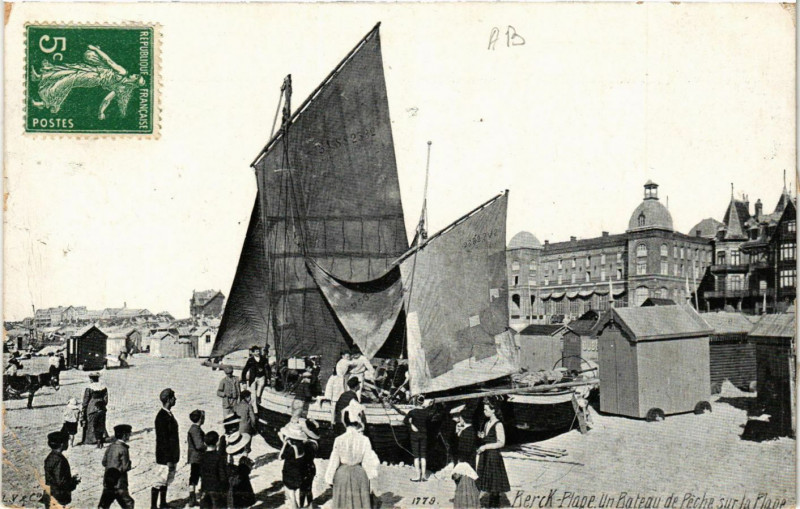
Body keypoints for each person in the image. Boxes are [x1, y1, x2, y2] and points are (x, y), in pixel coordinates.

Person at [324, 400, 380, 509]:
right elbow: (368, 461)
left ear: (345, 421)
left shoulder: (339, 439)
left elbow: (334, 461)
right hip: (359, 474)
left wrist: (329, 478)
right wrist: (372, 478)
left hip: (342, 474)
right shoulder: (364, 439)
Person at [476, 399, 510, 508]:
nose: (484, 411)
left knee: (494, 483)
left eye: (486, 409)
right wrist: (482, 437)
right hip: (486, 456)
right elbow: (489, 438)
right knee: (489, 481)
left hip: (493, 456)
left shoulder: (498, 424)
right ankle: (492, 504)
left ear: (493, 410)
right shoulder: (487, 423)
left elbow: (501, 442)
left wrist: (485, 446)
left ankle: (494, 504)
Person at [152, 388, 179, 509]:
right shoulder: (162, 417)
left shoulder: (167, 414)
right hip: (165, 456)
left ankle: (162, 503)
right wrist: (168, 459)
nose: (175, 399)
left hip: (170, 454)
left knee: (166, 479)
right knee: (160, 480)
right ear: (168, 399)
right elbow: (163, 440)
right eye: (173, 397)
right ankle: (154, 506)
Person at [98, 424, 135, 509]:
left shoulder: (110, 446)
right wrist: (129, 464)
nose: (130, 435)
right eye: (129, 434)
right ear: (125, 435)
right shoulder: (123, 448)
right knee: (128, 503)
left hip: (108, 482)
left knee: (104, 504)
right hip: (119, 483)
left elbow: (104, 462)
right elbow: (125, 467)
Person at [450, 405, 480, 509]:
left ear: (463, 419)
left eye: (460, 418)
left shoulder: (467, 433)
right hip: (468, 461)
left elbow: (465, 449)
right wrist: (458, 434)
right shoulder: (470, 430)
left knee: (465, 485)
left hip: (465, 463)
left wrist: (459, 461)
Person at [43, 431, 80, 509]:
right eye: (67, 441)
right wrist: (73, 483)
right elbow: (61, 481)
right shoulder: (59, 460)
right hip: (58, 496)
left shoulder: (50, 457)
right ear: (62, 444)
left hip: (50, 493)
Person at [278, 422, 307, 509]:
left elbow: (280, 457)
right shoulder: (301, 445)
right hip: (298, 471)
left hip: (289, 472)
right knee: (293, 491)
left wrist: (284, 443)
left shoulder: (291, 448)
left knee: (291, 494)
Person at [403, 396, 430, 482]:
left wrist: (411, 425)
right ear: (422, 402)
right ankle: (424, 476)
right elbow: (429, 420)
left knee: (416, 456)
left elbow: (405, 421)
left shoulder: (412, 412)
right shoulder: (426, 412)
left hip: (414, 435)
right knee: (423, 456)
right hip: (424, 434)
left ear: (416, 402)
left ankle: (418, 476)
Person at [199, 431, 229, 509]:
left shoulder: (202, 457)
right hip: (217, 490)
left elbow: (201, 474)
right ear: (217, 442)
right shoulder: (219, 457)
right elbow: (222, 476)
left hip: (205, 489)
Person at [226, 432, 255, 508]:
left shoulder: (229, 459)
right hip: (243, 487)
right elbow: (246, 471)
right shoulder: (243, 460)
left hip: (231, 489)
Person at [81, 372, 109, 447]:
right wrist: (102, 404)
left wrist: (84, 408)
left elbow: (86, 399)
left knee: (91, 423)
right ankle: (101, 437)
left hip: (92, 407)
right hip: (101, 406)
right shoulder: (103, 387)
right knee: (101, 423)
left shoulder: (89, 388)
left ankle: (91, 439)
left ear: (91, 379)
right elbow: (106, 399)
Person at [187, 410, 207, 507]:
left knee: (193, 477)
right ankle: (201, 497)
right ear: (200, 419)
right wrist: (207, 447)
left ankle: (192, 497)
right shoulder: (196, 429)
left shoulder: (194, 428)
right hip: (198, 457)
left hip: (194, 457)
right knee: (201, 476)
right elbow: (199, 445)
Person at [299, 419, 320, 508]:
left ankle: (301, 505)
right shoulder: (315, 442)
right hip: (311, 466)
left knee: (302, 488)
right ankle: (310, 504)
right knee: (309, 488)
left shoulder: (307, 444)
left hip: (304, 467)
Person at [324, 351, 352, 415]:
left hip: (337, 379)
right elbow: (353, 363)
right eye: (347, 356)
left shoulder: (341, 362)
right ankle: (335, 412)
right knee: (336, 396)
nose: (348, 358)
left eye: (349, 357)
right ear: (343, 356)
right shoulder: (343, 361)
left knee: (335, 396)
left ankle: (333, 411)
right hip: (337, 380)